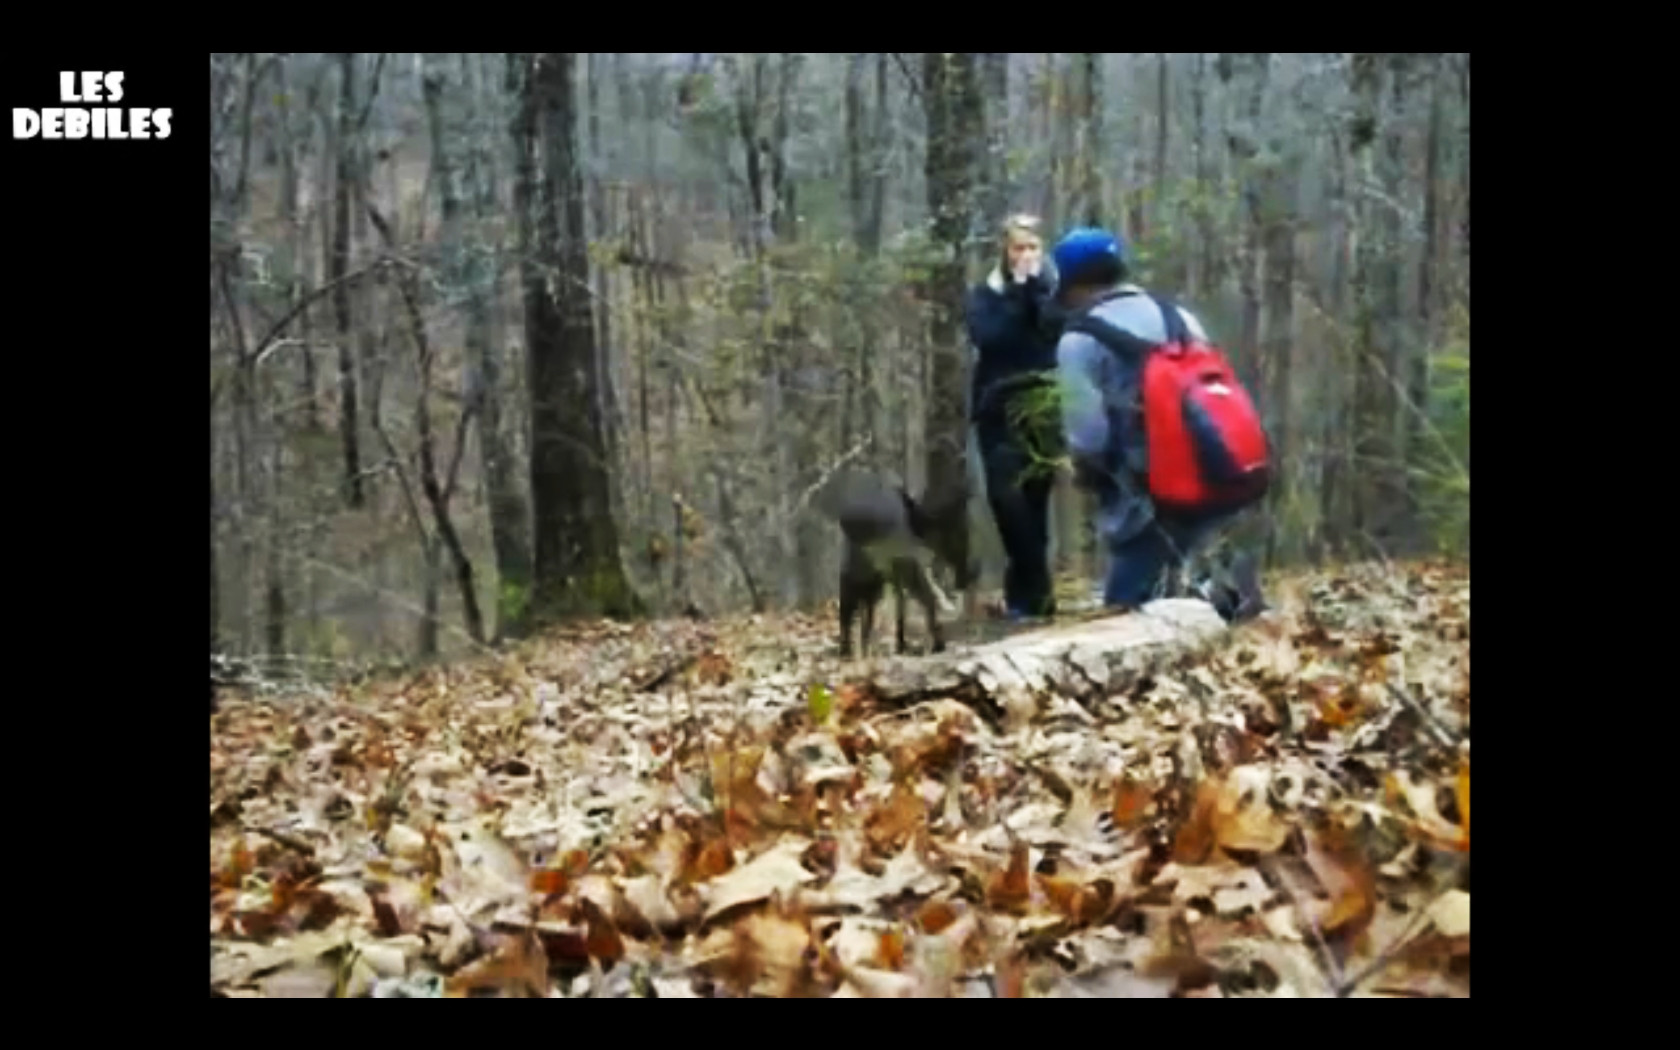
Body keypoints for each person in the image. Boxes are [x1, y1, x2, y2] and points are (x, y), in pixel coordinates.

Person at [1049, 226, 1265, 620]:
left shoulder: (1078, 342)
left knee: (1126, 611)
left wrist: (1086, 475)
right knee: (1228, 594)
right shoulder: (1180, 317)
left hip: (1144, 493)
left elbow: (1087, 435)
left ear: (1071, 284)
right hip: (1214, 466)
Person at [964, 214, 1063, 621]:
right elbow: (991, 338)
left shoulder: (1053, 294)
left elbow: (1053, 331)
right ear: (1004, 254)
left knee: (1036, 502)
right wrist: (1017, 293)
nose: (1026, 256)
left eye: (1032, 248)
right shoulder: (986, 295)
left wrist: (1035, 293)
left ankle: (1028, 598)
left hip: (1043, 406)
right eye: (1018, 248)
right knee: (1006, 499)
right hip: (997, 408)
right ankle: (1035, 588)